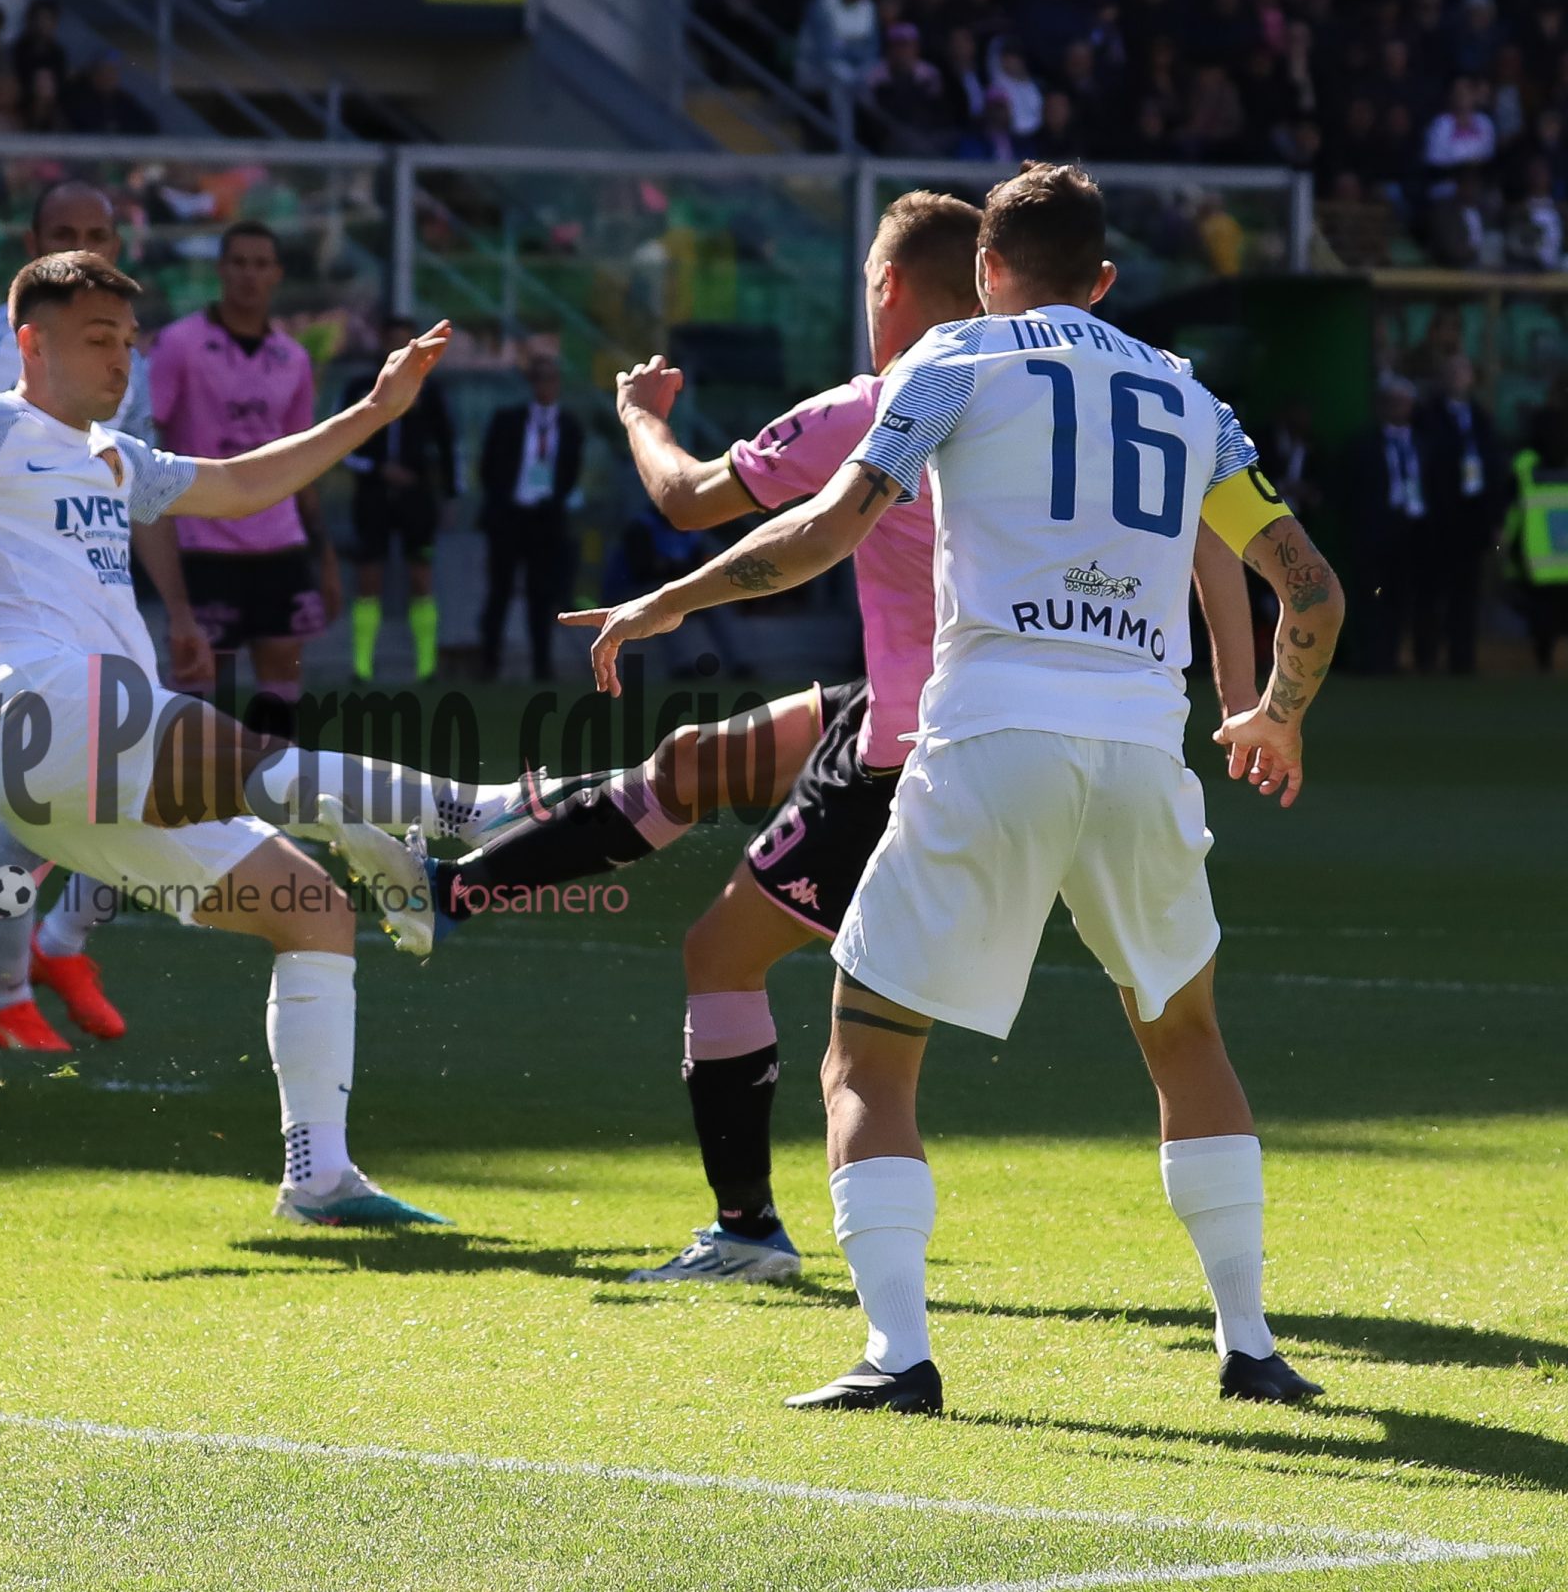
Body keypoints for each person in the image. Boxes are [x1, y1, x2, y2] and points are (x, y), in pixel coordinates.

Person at [566, 162, 1347, 1414]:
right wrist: (1272, 714)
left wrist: (671, 599)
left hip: (987, 738)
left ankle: (897, 1356)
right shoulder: (1190, 395)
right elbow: (1308, 587)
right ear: (1103, 278)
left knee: (870, 1048)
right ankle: (1249, 1345)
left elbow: (822, 530)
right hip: (1142, 753)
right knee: (1186, 1038)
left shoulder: (953, 364)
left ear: (986, 270)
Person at [427, 194, 1261, 1288]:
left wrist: (637, 416)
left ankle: (745, 1230)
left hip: (924, 742)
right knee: (695, 763)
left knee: (725, 960)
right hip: (961, 708)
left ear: (895, 289)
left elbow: (688, 501)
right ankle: (463, 871)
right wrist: (1244, 695)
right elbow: (1220, 539)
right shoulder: (1114, 397)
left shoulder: (885, 399)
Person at [0, 256, 526, 1221]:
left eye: (127, 341)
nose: (121, 359)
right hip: (43, 718)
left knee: (314, 915)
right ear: (31, 342)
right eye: (96, 339)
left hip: (90, 782)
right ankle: (469, 812)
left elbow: (241, 485)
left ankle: (317, 1178)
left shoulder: (116, 455)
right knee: (234, 750)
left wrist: (373, 410)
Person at [0, 179, 208, 1056]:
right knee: (36, 807)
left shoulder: (127, 359)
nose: (86, 247)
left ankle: (57, 947)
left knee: (154, 788)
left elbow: (138, 494)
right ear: (31, 243)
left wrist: (180, 611)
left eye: (99, 234)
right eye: (65, 234)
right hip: (2, 617)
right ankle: (10, 986)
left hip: (102, 604)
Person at [150, 221, 334, 729]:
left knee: (282, 683)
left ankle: (272, 793)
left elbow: (304, 458)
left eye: (260, 264)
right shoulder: (178, 344)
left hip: (280, 545)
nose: (249, 275)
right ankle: (195, 803)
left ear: (276, 273)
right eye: (239, 263)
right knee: (201, 684)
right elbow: (148, 441)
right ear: (220, 269)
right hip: (205, 544)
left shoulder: (293, 357)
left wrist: (327, 553)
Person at [340, 357, 454, 683]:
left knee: (421, 576)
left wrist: (448, 492)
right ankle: (361, 668)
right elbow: (339, 442)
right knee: (368, 577)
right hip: (372, 498)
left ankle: (427, 668)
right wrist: (378, 469)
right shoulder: (361, 387)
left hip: (417, 499)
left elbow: (446, 442)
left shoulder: (430, 391)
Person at [478, 353, 584, 680]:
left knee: (542, 594)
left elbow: (570, 472)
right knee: (500, 590)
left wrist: (553, 502)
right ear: (531, 383)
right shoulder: (508, 419)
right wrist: (502, 500)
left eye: (551, 379)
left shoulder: (569, 425)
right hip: (510, 516)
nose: (545, 386)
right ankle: (489, 663)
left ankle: (542, 665)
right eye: (539, 378)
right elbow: (488, 466)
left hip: (545, 518)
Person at [1343, 374, 1431, 672]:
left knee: (1404, 596)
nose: (1398, 408)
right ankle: (1371, 658)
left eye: (1403, 403)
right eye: (1392, 402)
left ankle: (1397, 657)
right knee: (1371, 595)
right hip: (1376, 530)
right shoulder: (1363, 444)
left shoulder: (1423, 443)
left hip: (1414, 529)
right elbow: (1349, 490)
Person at [1417, 353, 1498, 674]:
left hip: (1471, 521)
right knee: (1431, 592)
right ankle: (1426, 658)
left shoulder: (1481, 418)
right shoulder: (1427, 416)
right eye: (1451, 372)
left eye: (1462, 372)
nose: (1457, 378)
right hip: (1438, 519)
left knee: (1466, 594)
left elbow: (1493, 468)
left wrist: (1492, 519)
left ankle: (1462, 659)